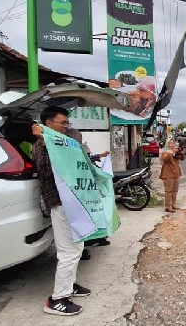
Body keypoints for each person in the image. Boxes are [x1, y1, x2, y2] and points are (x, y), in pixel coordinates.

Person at [31, 107, 91, 316]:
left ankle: (70, 285)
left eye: (67, 123)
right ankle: (58, 299)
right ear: (49, 123)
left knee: (78, 244)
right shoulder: (41, 145)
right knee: (69, 250)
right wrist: (47, 140)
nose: (66, 127)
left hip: (72, 202)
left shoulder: (62, 143)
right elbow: (47, 171)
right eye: (63, 123)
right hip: (60, 202)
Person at [65, 128, 110, 251]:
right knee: (83, 218)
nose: (78, 140)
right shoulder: (65, 151)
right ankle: (84, 245)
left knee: (96, 213)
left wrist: (101, 156)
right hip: (79, 189)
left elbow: (89, 159)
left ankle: (99, 237)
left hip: (89, 186)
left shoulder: (80, 148)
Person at [160, 137, 184, 212]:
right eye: (170, 143)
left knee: (175, 190)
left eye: (173, 143)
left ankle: (173, 204)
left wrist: (181, 152)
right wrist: (171, 153)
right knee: (168, 191)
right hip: (168, 174)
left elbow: (182, 158)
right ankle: (168, 206)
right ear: (167, 144)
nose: (172, 144)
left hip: (176, 173)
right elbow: (165, 159)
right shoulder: (165, 152)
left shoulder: (175, 151)